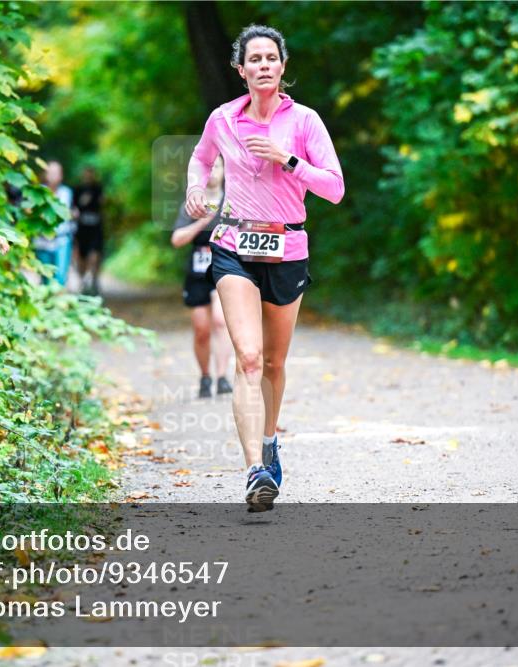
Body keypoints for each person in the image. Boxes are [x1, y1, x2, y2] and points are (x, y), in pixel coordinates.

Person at [185, 24, 344, 511]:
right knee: (249, 359)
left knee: (274, 362)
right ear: (241, 69)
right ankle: (255, 468)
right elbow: (200, 158)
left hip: (287, 247)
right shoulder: (223, 120)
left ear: (283, 65)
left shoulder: (305, 122)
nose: (263, 66)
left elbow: (335, 188)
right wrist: (196, 189)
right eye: (253, 59)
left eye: (271, 58)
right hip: (233, 244)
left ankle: (270, 441)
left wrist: (289, 160)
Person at [171, 157, 234, 399]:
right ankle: (205, 376)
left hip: (224, 268)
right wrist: (203, 222)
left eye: (217, 166)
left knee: (221, 320)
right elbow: (177, 240)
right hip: (197, 273)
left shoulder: (233, 201)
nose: (213, 172)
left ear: (225, 170)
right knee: (202, 330)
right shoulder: (193, 203)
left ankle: (222, 376)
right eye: (208, 168)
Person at [33, 160, 74, 286]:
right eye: (50, 172)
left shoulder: (66, 192)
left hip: (61, 239)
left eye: (56, 173)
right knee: (45, 278)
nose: (53, 175)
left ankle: (59, 302)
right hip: (42, 241)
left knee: (60, 278)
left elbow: (68, 213)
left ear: (61, 175)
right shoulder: (39, 191)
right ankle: (47, 303)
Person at [73, 166, 105, 296]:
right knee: (82, 256)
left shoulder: (98, 189)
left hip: (96, 227)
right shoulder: (78, 190)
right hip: (82, 228)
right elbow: (74, 207)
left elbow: (103, 204)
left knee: (95, 253)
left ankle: (94, 279)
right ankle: (83, 281)